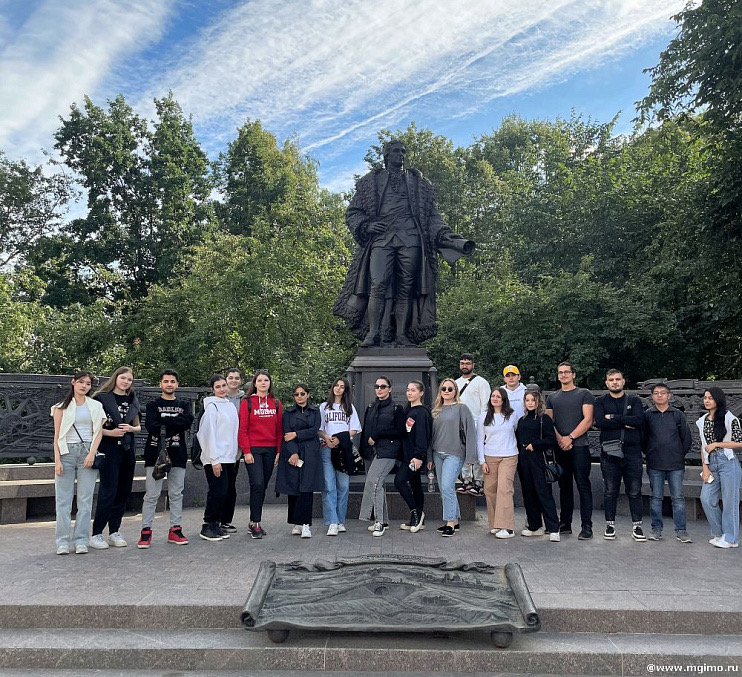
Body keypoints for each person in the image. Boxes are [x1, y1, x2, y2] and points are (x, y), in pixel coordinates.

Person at [333, 139, 474, 347]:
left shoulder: (419, 184)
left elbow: (432, 216)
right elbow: (353, 212)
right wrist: (366, 225)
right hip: (382, 239)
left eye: (403, 152)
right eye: (396, 151)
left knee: (406, 289)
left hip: (411, 239)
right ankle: (373, 333)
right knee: (378, 284)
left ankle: (401, 335)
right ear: (386, 156)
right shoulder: (370, 182)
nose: (401, 155)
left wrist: (448, 237)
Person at [51, 371, 107, 555]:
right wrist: (57, 460)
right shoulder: (61, 407)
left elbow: (98, 432)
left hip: (87, 452)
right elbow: (57, 435)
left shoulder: (96, 406)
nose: (84, 386)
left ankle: (81, 540)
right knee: (63, 501)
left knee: (85, 499)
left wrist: (91, 453)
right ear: (73, 383)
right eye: (81, 382)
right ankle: (62, 541)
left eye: (88, 384)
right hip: (66, 452)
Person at [137, 370, 194, 549]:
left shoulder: (184, 404)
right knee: (152, 494)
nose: (169, 384)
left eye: (172, 381)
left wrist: (165, 422)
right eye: (166, 381)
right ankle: (146, 531)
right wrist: (175, 422)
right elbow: (151, 426)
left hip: (178, 454)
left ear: (177, 384)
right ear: (160, 384)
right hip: (155, 454)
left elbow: (187, 422)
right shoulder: (153, 404)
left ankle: (175, 530)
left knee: (176, 493)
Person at [89, 367, 142, 550]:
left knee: (123, 491)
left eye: (129, 379)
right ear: (115, 378)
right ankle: (96, 533)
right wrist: (110, 433)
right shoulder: (101, 398)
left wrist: (130, 429)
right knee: (108, 490)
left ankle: (114, 531)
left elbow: (138, 427)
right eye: (123, 378)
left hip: (127, 449)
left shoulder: (132, 399)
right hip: (108, 449)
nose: (125, 382)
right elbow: (93, 427)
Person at [593, 369, 647, 542]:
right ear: (606, 383)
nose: (615, 382)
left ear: (623, 381)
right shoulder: (600, 401)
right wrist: (625, 421)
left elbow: (638, 420)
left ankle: (637, 526)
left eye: (618, 379)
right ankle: (610, 525)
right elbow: (600, 422)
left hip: (632, 453)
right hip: (609, 452)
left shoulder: (634, 400)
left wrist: (614, 417)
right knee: (610, 490)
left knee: (635, 490)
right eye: (611, 380)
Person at [546, 361, 595, 540]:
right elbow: (549, 422)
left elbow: (588, 419)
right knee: (564, 486)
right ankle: (565, 523)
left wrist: (571, 437)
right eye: (560, 372)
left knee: (583, 485)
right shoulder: (552, 397)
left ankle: (587, 526)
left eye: (567, 372)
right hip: (561, 448)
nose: (563, 375)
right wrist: (560, 439)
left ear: (574, 375)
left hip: (579, 447)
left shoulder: (584, 394)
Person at [642, 382, 692, 543]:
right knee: (656, 498)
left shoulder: (677, 415)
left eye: (663, 393)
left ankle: (681, 530)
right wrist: (649, 454)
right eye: (656, 393)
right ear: (652, 396)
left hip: (675, 464)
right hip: (655, 463)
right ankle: (656, 529)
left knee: (677, 498)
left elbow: (686, 439)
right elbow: (643, 438)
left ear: (669, 395)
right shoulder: (648, 415)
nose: (659, 395)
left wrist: (678, 454)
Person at [275, 384, 324, 538]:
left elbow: (314, 430)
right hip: (293, 452)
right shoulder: (288, 413)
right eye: (296, 394)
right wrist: (293, 453)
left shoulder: (315, 411)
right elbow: (286, 434)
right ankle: (296, 522)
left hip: (310, 452)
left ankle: (306, 524)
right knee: (293, 486)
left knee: (306, 488)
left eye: (303, 393)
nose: (300, 396)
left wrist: (296, 434)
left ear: (308, 395)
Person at [238, 370, 283, 539]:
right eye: (260, 380)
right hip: (254, 449)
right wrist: (246, 451)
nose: (263, 383)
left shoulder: (276, 403)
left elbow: (279, 429)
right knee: (257, 484)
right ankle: (255, 522)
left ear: (270, 383)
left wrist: (278, 451)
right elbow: (242, 430)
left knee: (262, 486)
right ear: (254, 383)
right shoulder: (247, 402)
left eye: (266, 380)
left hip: (271, 449)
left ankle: (253, 522)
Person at [430, 378, 477, 537]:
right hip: (437, 454)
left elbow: (471, 432)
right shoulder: (436, 409)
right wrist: (430, 457)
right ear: (440, 391)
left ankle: (449, 522)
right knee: (445, 489)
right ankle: (455, 521)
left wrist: (471, 456)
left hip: (454, 454)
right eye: (444, 388)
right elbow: (432, 435)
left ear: (455, 391)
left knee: (447, 487)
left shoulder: (461, 408)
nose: (447, 391)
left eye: (450, 389)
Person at [359, 376, 405, 536]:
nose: (379, 389)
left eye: (383, 386)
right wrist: (363, 450)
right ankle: (383, 520)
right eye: (377, 386)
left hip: (389, 452)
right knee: (377, 484)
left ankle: (378, 522)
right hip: (374, 453)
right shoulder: (371, 407)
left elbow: (400, 431)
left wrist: (378, 434)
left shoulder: (397, 408)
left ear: (390, 389)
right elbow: (366, 431)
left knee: (375, 483)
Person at [697, 387, 742, 548]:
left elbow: (739, 442)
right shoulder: (702, 420)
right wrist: (705, 467)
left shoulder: (730, 419)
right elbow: (703, 446)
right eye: (705, 398)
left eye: (710, 398)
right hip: (711, 463)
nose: (707, 400)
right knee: (707, 499)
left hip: (727, 462)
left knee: (730, 502)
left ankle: (731, 539)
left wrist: (717, 444)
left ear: (718, 400)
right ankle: (719, 533)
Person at [197, 374, 240, 542]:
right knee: (217, 491)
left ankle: (217, 524)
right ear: (212, 389)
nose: (222, 389)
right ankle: (208, 525)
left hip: (229, 457)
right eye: (218, 387)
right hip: (215, 458)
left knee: (226, 492)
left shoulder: (229, 405)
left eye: (224, 385)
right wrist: (214, 459)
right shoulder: (211, 406)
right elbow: (208, 434)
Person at [318, 377, 361, 536]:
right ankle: (332, 521)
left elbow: (355, 429)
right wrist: (327, 438)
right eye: (336, 385)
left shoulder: (349, 407)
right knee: (329, 486)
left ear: (345, 390)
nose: (338, 388)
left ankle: (340, 520)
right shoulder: (324, 407)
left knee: (343, 486)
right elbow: (319, 429)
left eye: (342, 386)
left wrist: (340, 437)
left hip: (344, 450)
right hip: (327, 448)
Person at [516, 388, 561, 542]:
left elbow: (551, 440)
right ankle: (535, 526)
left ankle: (554, 528)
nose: (530, 403)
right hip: (523, 461)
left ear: (538, 402)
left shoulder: (544, 419)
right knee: (528, 493)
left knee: (543, 493)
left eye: (532, 400)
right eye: (527, 400)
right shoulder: (521, 420)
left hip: (538, 460)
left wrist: (535, 445)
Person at [477, 387, 520, 538]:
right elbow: (479, 440)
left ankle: (507, 527)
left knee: (504, 489)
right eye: (493, 396)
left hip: (509, 456)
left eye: (498, 397)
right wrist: (482, 461)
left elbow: (516, 431)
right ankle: (496, 523)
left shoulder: (512, 415)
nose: (495, 399)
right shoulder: (484, 416)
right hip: (490, 456)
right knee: (490, 490)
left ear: (503, 400)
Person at [395, 380, 432, 533]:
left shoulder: (422, 412)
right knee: (415, 484)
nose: (409, 393)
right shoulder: (408, 410)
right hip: (407, 455)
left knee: (399, 481)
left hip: (415, 457)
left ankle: (416, 513)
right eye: (408, 390)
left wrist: (419, 456)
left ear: (421, 393)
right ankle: (416, 521)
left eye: (413, 390)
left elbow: (423, 436)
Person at [455, 353, 490, 497]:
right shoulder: (456, 383)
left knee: (475, 453)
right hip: (459, 422)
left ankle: (478, 482)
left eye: (467, 363)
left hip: (476, 422)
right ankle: (466, 481)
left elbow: (485, 405)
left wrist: (482, 424)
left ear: (473, 365)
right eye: (462, 363)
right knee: (463, 452)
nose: (465, 366)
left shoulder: (481, 382)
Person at [218, 367, 244, 534]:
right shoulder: (218, 398)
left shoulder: (246, 399)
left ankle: (226, 520)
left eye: (236, 378)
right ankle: (215, 519)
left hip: (237, 449)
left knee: (231, 486)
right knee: (219, 486)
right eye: (230, 377)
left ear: (240, 381)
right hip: (220, 448)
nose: (233, 380)